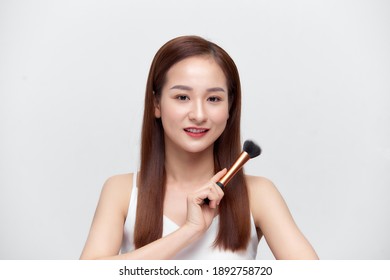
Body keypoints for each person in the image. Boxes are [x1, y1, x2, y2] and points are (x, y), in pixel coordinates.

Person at [80, 35, 319, 260]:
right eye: (182, 97)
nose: (199, 114)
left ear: (230, 107)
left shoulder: (259, 194)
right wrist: (189, 231)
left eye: (213, 99)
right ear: (156, 104)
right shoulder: (122, 191)